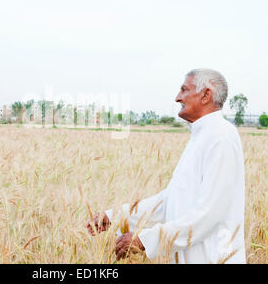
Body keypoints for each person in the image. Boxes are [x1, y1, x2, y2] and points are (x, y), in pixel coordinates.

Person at [86, 68, 246, 264]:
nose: (177, 98)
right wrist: (115, 217)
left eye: (184, 90)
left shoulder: (221, 137)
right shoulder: (201, 136)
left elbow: (209, 213)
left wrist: (144, 240)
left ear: (206, 94)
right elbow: (169, 201)